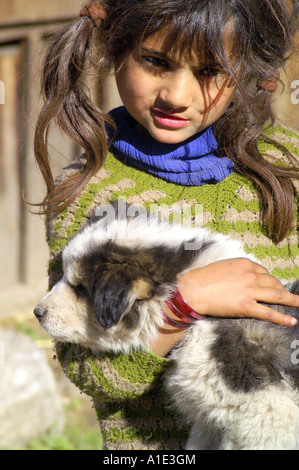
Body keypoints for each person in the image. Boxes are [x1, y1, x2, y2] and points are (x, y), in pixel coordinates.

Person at [34, 0, 299, 450]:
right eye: (156, 61)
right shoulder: (91, 192)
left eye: (210, 71)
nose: (177, 95)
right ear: (114, 43)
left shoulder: (286, 167)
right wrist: (183, 303)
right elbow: (95, 375)